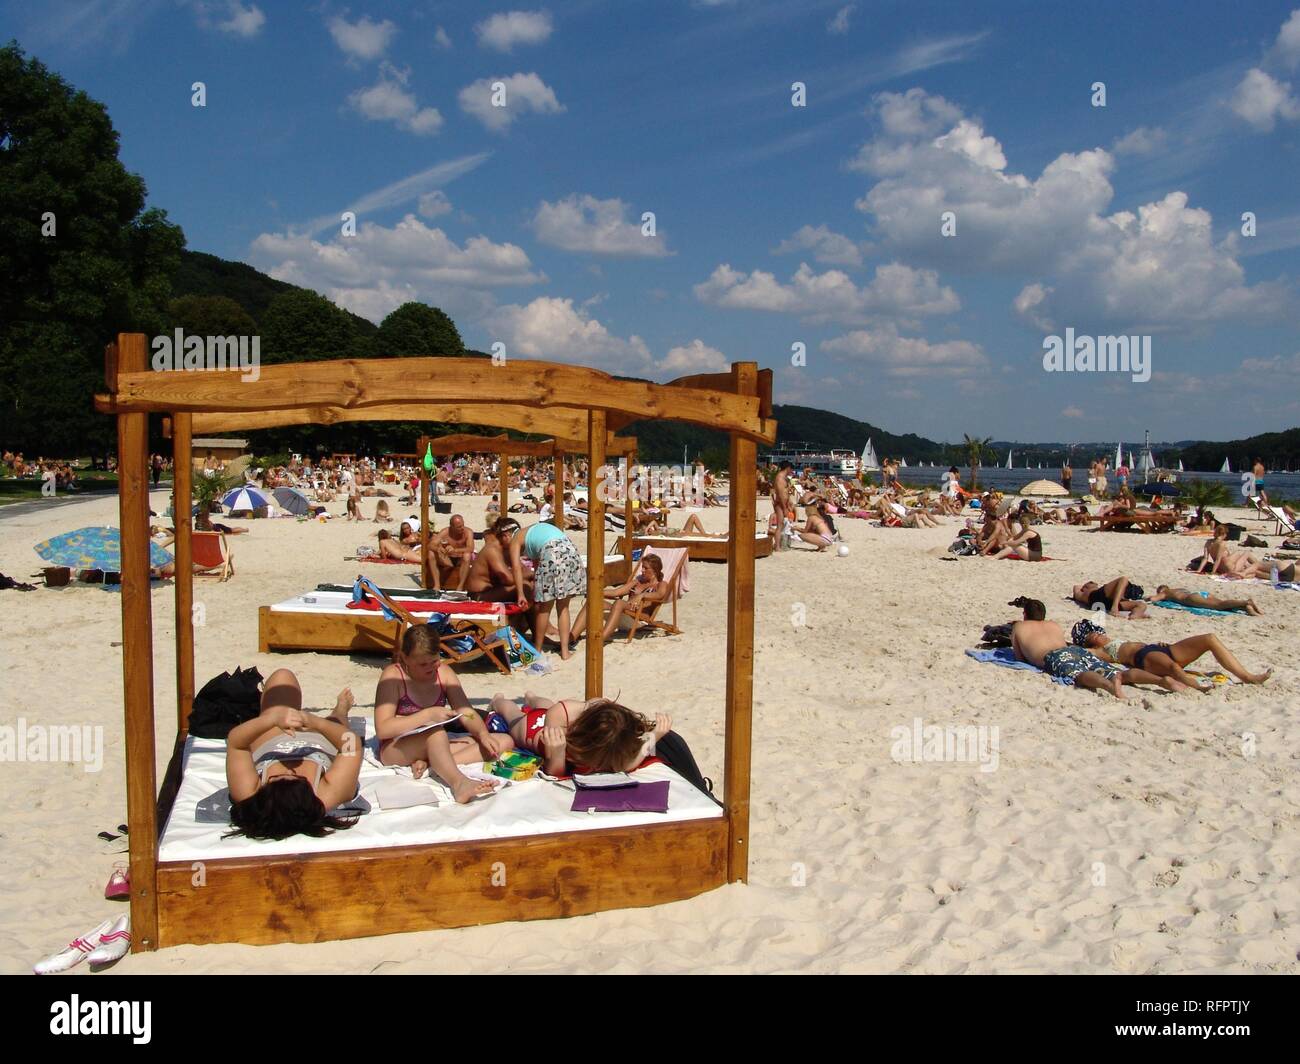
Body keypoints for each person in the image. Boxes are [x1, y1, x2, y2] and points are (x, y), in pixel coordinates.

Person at [372, 626, 507, 803]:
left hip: (436, 743)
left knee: (503, 741)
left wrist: (482, 734)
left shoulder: (443, 673)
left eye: (434, 661)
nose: (430, 668)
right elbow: (383, 729)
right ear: (405, 658)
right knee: (436, 734)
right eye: (422, 664)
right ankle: (459, 783)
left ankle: (432, 763)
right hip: (396, 747)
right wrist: (427, 715)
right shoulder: (393, 677)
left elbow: (466, 712)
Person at [223, 669, 363, 840]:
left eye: (277, 779)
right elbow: (350, 746)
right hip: (320, 739)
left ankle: (265, 712)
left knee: (282, 677)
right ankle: (340, 710)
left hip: (273, 734)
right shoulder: (327, 795)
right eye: (298, 780)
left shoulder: (248, 793)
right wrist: (316, 723)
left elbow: (236, 743)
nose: (289, 771)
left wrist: (271, 719)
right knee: (336, 724)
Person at [488, 692, 672, 777]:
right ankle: (498, 701)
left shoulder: (613, 731)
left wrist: (654, 737)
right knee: (513, 714)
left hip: (560, 721)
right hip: (534, 732)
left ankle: (531, 696)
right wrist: (558, 752)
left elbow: (625, 764)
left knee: (544, 704)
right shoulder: (563, 712)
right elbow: (555, 771)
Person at [1011, 618, 1190, 698]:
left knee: (1079, 675)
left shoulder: (1019, 627)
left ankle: (1109, 686)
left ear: (1025, 615)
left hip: (1055, 657)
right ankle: (1161, 681)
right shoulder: (1052, 624)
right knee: (1119, 672)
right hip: (1076, 651)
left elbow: (1019, 658)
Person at [1070, 619, 1272, 687]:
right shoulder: (1100, 651)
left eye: (1097, 631)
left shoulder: (1111, 639)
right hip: (1144, 658)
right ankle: (1196, 686)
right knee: (1174, 668)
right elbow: (1076, 650)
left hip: (1159, 649)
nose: (1097, 634)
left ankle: (1247, 676)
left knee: (1209, 638)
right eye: (1092, 635)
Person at [505, 517, 586, 659]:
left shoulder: (516, 539)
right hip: (570, 551)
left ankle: (537, 649)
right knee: (563, 607)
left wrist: (521, 594)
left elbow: (516, 568)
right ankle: (565, 651)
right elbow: (537, 566)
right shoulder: (534, 531)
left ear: (506, 535)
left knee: (545, 608)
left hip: (552, 553)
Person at [570, 554, 668, 644]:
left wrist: (641, 596)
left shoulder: (661, 584)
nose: (642, 570)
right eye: (642, 567)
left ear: (655, 570)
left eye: (645, 568)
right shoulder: (637, 582)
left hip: (638, 620)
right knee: (594, 601)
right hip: (624, 613)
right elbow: (616, 592)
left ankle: (601, 639)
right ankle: (572, 637)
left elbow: (660, 594)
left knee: (619, 603)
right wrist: (595, 592)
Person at [466, 517, 533, 602]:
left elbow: (521, 568)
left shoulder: (507, 549)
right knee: (525, 586)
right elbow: (508, 579)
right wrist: (530, 575)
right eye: (516, 537)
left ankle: (527, 614)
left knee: (531, 584)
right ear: (505, 536)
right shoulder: (492, 550)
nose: (518, 541)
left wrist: (531, 575)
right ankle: (531, 615)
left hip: (494, 589)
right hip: (480, 594)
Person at [1148, 584, 1262, 616]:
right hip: (1200, 594)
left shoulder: (1165, 593)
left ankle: (1246, 602)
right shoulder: (1177, 589)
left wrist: (1148, 597)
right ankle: (1245, 608)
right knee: (1220, 604)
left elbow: (1153, 599)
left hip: (1191, 599)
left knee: (1218, 605)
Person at [431, 514, 475, 591]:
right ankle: (437, 585)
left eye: (462, 525)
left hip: (460, 559)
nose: (462, 528)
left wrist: (455, 550)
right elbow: (431, 545)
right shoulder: (445, 532)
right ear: (452, 527)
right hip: (448, 559)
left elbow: (470, 548)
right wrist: (439, 549)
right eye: (459, 527)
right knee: (431, 553)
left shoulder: (468, 532)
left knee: (467, 555)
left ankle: (460, 586)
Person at [1071, 576, 1150, 617]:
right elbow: (1076, 587)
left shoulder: (1087, 593)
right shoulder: (1086, 592)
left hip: (1104, 603)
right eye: (1091, 582)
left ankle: (1134, 615)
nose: (1094, 583)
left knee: (1141, 605)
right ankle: (1115, 607)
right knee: (1123, 579)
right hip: (1103, 601)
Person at [772, 462, 793, 550]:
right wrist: (784, 507)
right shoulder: (780, 478)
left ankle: (778, 545)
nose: (791, 471)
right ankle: (777, 546)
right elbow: (780, 494)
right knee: (780, 525)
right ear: (787, 468)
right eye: (791, 469)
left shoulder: (784, 478)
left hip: (783, 503)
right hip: (780, 504)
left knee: (782, 525)